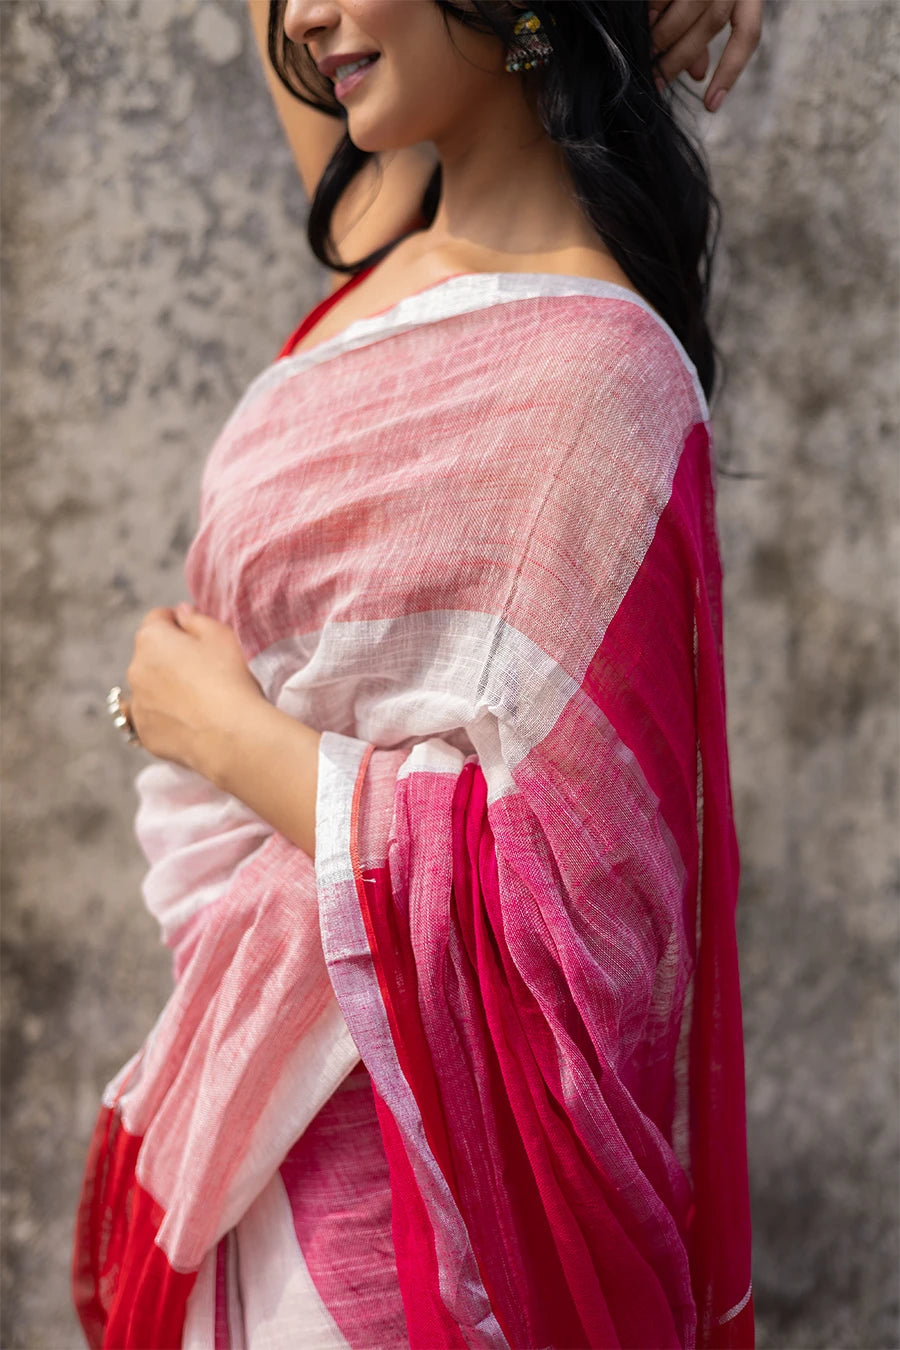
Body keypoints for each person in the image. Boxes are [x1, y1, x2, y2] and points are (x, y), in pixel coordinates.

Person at [73, 2, 763, 1346]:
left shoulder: (599, 379)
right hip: (254, 1155)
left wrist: (224, 735)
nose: (303, 14)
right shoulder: (384, 233)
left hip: (428, 1232)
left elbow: (577, 930)